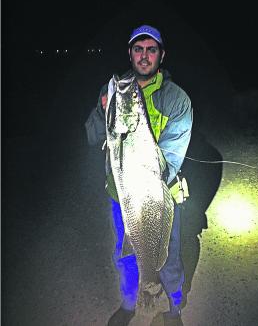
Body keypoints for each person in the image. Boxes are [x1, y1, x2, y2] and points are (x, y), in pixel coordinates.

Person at [86, 24, 193, 326]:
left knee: (167, 256)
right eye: (138, 49)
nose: (144, 56)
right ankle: (131, 303)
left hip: (161, 197)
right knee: (125, 253)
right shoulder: (114, 90)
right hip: (121, 194)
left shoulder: (177, 99)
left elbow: (171, 157)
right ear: (130, 54)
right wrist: (103, 112)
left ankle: (172, 308)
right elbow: (92, 135)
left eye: (151, 50)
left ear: (161, 55)